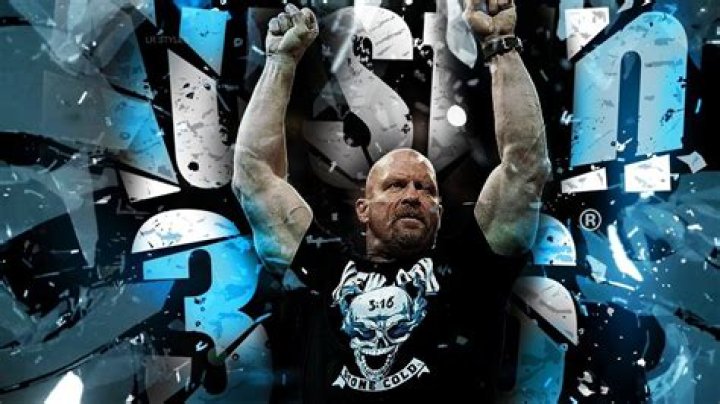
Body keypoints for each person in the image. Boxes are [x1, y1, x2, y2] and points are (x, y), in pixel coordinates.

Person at [232, 0, 550, 402]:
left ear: (439, 211)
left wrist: (501, 44)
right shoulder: (323, 270)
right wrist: (280, 63)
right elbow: (254, 176)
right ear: (362, 209)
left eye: (426, 189)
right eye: (396, 186)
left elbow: (525, 167)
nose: (413, 196)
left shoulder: (472, 269)